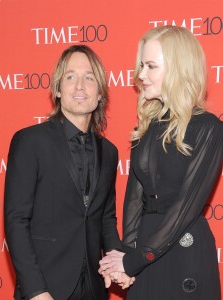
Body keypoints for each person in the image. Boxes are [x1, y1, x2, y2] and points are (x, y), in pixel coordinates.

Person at [99, 25, 222, 299]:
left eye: (151, 66)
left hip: (183, 248)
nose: (141, 75)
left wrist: (133, 261)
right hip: (146, 249)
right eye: (142, 65)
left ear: (178, 69)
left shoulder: (208, 128)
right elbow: (134, 197)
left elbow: (185, 207)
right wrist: (126, 252)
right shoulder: (146, 127)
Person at [4, 45, 131, 300]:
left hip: (94, 288)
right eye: (70, 77)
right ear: (58, 90)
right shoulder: (30, 141)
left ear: (99, 95)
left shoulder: (109, 152)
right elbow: (16, 221)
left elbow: (106, 219)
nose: (80, 86)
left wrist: (118, 263)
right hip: (46, 288)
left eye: (89, 78)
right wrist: (36, 291)